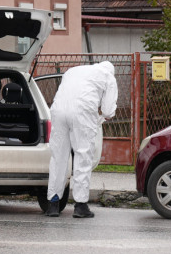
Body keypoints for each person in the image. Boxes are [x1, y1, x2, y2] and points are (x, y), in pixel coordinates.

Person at [46, 61, 118, 218]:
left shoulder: (73, 71)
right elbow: (108, 110)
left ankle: (53, 203)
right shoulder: (108, 76)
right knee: (82, 157)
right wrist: (102, 117)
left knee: (58, 157)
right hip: (82, 112)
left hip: (58, 111)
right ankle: (80, 205)